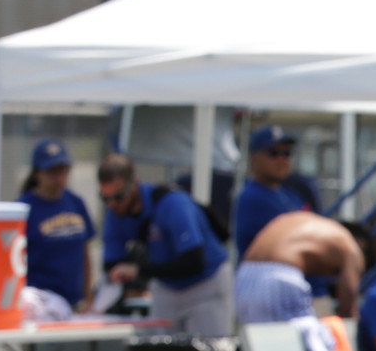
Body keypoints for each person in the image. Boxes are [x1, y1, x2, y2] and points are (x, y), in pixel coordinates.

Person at [98, 154, 233, 334]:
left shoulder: (173, 204)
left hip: (205, 285)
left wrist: (139, 271)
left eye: (119, 196)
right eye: (106, 198)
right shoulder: (115, 214)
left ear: (134, 184)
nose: (113, 204)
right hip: (167, 288)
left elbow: (194, 262)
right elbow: (111, 264)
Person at [236, 211, 364, 320]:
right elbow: (348, 299)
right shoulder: (351, 248)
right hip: (280, 279)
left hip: (245, 276)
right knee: (302, 346)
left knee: (261, 345)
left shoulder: (309, 224)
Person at [19, 138, 95, 315]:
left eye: (63, 171)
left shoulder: (76, 203)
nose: (59, 178)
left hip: (75, 304)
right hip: (40, 306)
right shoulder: (23, 209)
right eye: (52, 172)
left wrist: (88, 298)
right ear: (37, 173)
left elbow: (85, 253)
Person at [232, 124, 313, 259]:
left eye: (286, 153)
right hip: (266, 276)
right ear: (254, 158)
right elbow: (301, 241)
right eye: (273, 153)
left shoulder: (288, 193)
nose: (282, 160)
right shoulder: (253, 197)